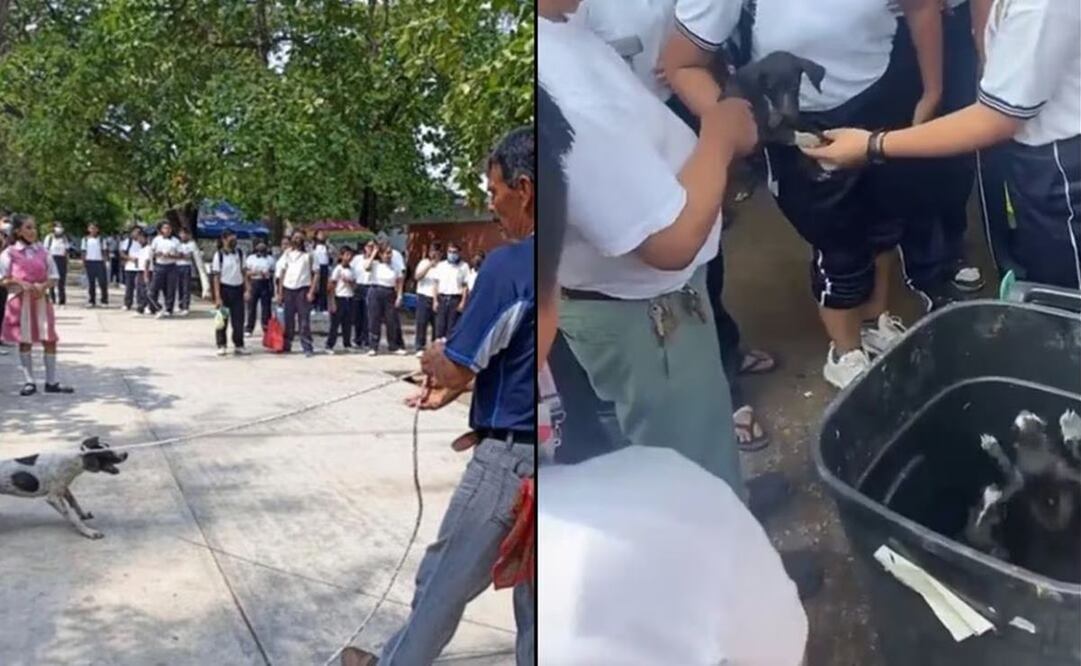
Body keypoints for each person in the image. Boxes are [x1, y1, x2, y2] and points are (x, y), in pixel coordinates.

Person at [659, 0, 943, 390]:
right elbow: (682, 63)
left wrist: (931, 90)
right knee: (837, 242)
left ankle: (874, 321)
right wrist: (744, 129)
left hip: (882, 93)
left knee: (885, 222)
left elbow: (922, 7)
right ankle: (846, 353)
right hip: (797, 124)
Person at [539, 0, 757, 493]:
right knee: (685, 477)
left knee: (702, 437)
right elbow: (668, 241)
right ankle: (724, 547)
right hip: (644, 314)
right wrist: (720, 135)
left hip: (660, 301)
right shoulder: (560, 97)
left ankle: (733, 504)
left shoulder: (563, 22)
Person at [340, 127, 537, 666]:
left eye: (494, 191)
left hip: (513, 463)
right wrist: (469, 383)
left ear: (524, 188)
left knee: (440, 588)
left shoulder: (512, 265)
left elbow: (454, 360)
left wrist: (441, 362)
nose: (491, 204)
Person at [806, 0, 1081, 291]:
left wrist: (873, 145)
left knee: (1065, 290)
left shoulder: (1041, 7)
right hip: (1042, 145)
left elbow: (996, 119)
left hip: (1060, 161)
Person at [0, 214, 75, 396]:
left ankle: (51, 382)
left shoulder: (43, 251)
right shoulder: (9, 253)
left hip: (41, 300)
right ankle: (29, 381)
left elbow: (54, 276)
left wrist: (44, 285)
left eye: (34, 227)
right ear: (18, 231)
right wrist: (19, 282)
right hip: (20, 301)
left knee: (49, 338)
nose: (32, 231)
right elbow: (2, 279)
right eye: (28, 227)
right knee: (25, 339)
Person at [275, 231, 319, 356]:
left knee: (304, 320)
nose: (297, 239)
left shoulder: (309, 255)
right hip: (288, 289)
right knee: (288, 320)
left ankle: (307, 347)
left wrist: (311, 291)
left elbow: (316, 273)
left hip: (303, 289)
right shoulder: (287, 254)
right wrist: (280, 292)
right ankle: (287, 345)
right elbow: (282, 273)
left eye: (300, 237)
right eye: (295, 237)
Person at [210, 230, 248, 357]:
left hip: (238, 289)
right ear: (224, 240)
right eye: (231, 239)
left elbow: (244, 272)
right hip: (224, 290)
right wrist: (217, 296)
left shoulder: (240, 254)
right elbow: (216, 276)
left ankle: (239, 344)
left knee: (239, 320)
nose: (234, 241)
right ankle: (221, 345)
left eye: (235, 239)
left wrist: (247, 289)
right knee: (221, 320)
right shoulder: (219, 255)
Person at [363, 242, 406, 356]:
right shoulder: (375, 264)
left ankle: (393, 345)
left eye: (390, 253)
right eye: (386, 253)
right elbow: (366, 267)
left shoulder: (395, 265)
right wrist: (374, 253)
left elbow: (400, 280)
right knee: (374, 320)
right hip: (376, 290)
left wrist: (400, 295)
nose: (389, 255)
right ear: (381, 254)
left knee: (391, 320)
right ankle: (373, 346)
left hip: (390, 291)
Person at [433, 241, 469, 339]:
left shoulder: (464, 266)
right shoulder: (441, 265)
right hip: (442, 298)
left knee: (452, 327)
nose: (452, 254)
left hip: (455, 299)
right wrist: (435, 300)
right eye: (450, 252)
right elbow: (436, 284)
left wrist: (463, 302)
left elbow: (465, 286)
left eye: (454, 252)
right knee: (440, 326)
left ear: (459, 253)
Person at [325, 246, 356, 354]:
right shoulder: (337, 269)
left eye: (350, 255)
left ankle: (347, 343)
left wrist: (349, 282)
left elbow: (354, 285)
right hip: (339, 297)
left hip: (349, 297)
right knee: (335, 324)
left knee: (347, 323)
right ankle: (329, 345)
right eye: (346, 255)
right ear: (341, 256)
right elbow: (331, 286)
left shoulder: (352, 269)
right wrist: (332, 301)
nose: (349, 257)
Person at [412, 242, 441, 355]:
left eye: (436, 251)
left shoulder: (443, 265)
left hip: (436, 298)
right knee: (421, 322)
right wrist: (429, 265)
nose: (433, 254)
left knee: (436, 324)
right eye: (432, 251)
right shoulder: (424, 262)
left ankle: (434, 347)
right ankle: (420, 346)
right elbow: (417, 277)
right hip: (423, 296)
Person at [149, 221, 181, 318]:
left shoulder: (175, 241)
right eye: (165, 228)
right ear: (161, 230)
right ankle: (155, 307)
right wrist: (158, 254)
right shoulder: (157, 240)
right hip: (159, 265)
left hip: (171, 266)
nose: (167, 230)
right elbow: (152, 253)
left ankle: (169, 309)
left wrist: (171, 255)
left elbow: (180, 255)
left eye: (169, 228)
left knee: (170, 289)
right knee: (154, 288)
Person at [244, 240, 275, 337]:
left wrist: (268, 274)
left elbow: (273, 273)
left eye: (263, 247)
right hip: (254, 282)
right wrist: (256, 273)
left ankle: (266, 328)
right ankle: (249, 327)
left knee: (266, 307)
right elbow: (246, 273)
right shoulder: (250, 258)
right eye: (259, 246)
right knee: (251, 307)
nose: (261, 248)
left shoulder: (270, 259)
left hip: (265, 283)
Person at [351, 239, 374, 350]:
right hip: (358, 286)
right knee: (357, 314)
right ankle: (357, 338)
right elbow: (352, 270)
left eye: (372, 246)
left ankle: (366, 339)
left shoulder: (375, 260)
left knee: (367, 314)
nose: (370, 248)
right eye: (369, 246)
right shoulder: (357, 259)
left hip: (369, 286)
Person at [81, 224, 109, 308]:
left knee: (102, 282)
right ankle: (91, 301)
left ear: (97, 229)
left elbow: (104, 251)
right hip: (89, 262)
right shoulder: (85, 239)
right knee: (91, 283)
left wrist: (106, 262)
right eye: (91, 228)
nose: (93, 230)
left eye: (95, 228)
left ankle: (104, 300)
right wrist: (83, 263)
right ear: (88, 229)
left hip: (99, 262)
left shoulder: (101, 239)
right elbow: (83, 252)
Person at [42, 223, 71, 306]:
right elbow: (45, 250)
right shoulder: (49, 237)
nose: (59, 228)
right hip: (52, 259)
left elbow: (67, 250)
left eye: (60, 227)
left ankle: (62, 300)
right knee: (51, 279)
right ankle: (52, 298)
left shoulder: (64, 238)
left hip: (61, 259)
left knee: (61, 281)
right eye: (57, 227)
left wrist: (67, 261)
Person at [175, 228, 200, 316]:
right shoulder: (177, 243)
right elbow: (175, 254)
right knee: (179, 287)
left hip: (186, 266)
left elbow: (188, 256)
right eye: (181, 233)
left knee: (186, 287)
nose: (183, 235)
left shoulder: (191, 244)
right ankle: (180, 304)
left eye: (185, 234)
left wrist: (181, 255)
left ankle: (186, 306)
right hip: (177, 266)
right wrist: (179, 255)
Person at [135, 230, 160, 316]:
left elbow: (147, 261)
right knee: (141, 291)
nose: (139, 240)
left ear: (146, 238)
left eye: (141, 238)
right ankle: (141, 308)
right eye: (138, 238)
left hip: (147, 272)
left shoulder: (148, 248)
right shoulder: (141, 249)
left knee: (147, 292)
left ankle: (157, 308)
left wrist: (146, 275)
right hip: (140, 271)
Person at [121, 227, 143, 311]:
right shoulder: (127, 242)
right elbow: (122, 253)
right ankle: (127, 303)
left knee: (140, 288)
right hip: (130, 267)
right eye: (135, 232)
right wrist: (130, 258)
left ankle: (140, 304)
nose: (137, 234)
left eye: (139, 232)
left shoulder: (143, 242)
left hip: (140, 268)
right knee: (129, 287)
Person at [311, 230, 333, 313]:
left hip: (324, 266)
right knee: (315, 286)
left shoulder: (327, 246)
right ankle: (314, 305)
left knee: (323, 287)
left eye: (323, 234)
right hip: (315, 266)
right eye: (320, 234)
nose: (322, 235)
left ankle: (323, 306)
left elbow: (332, 254)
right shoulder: (313, 246)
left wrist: (328, 244)